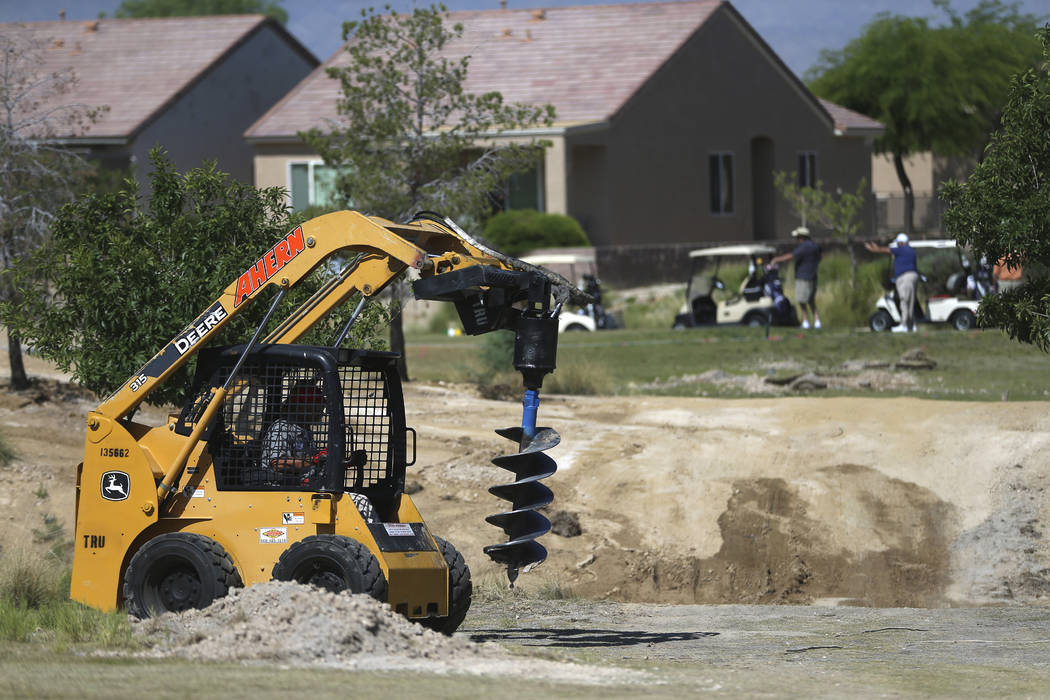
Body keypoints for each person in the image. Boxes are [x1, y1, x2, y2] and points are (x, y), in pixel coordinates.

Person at [769, 226, 822, 329]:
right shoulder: (815, 246)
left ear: (802, 237)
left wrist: (776, 260)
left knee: (801, 300)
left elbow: (791, 256)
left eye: (798, 237)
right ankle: (817, 321)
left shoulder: (804, 247)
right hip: (813, 276)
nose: (797, 240)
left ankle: (806, 321)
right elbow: (820, 257)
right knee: (811, 300)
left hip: (803, 277)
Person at [865, 233, 919, 332]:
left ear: (901, 242)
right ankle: (912, 325)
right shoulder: (911, 250)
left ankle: (904, 325)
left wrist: (874, 248)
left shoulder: (902, 248)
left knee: (904, 301)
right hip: (913, 276)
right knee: (910, 302)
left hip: (905, 277)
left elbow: (885, 250)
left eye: (898, 243)